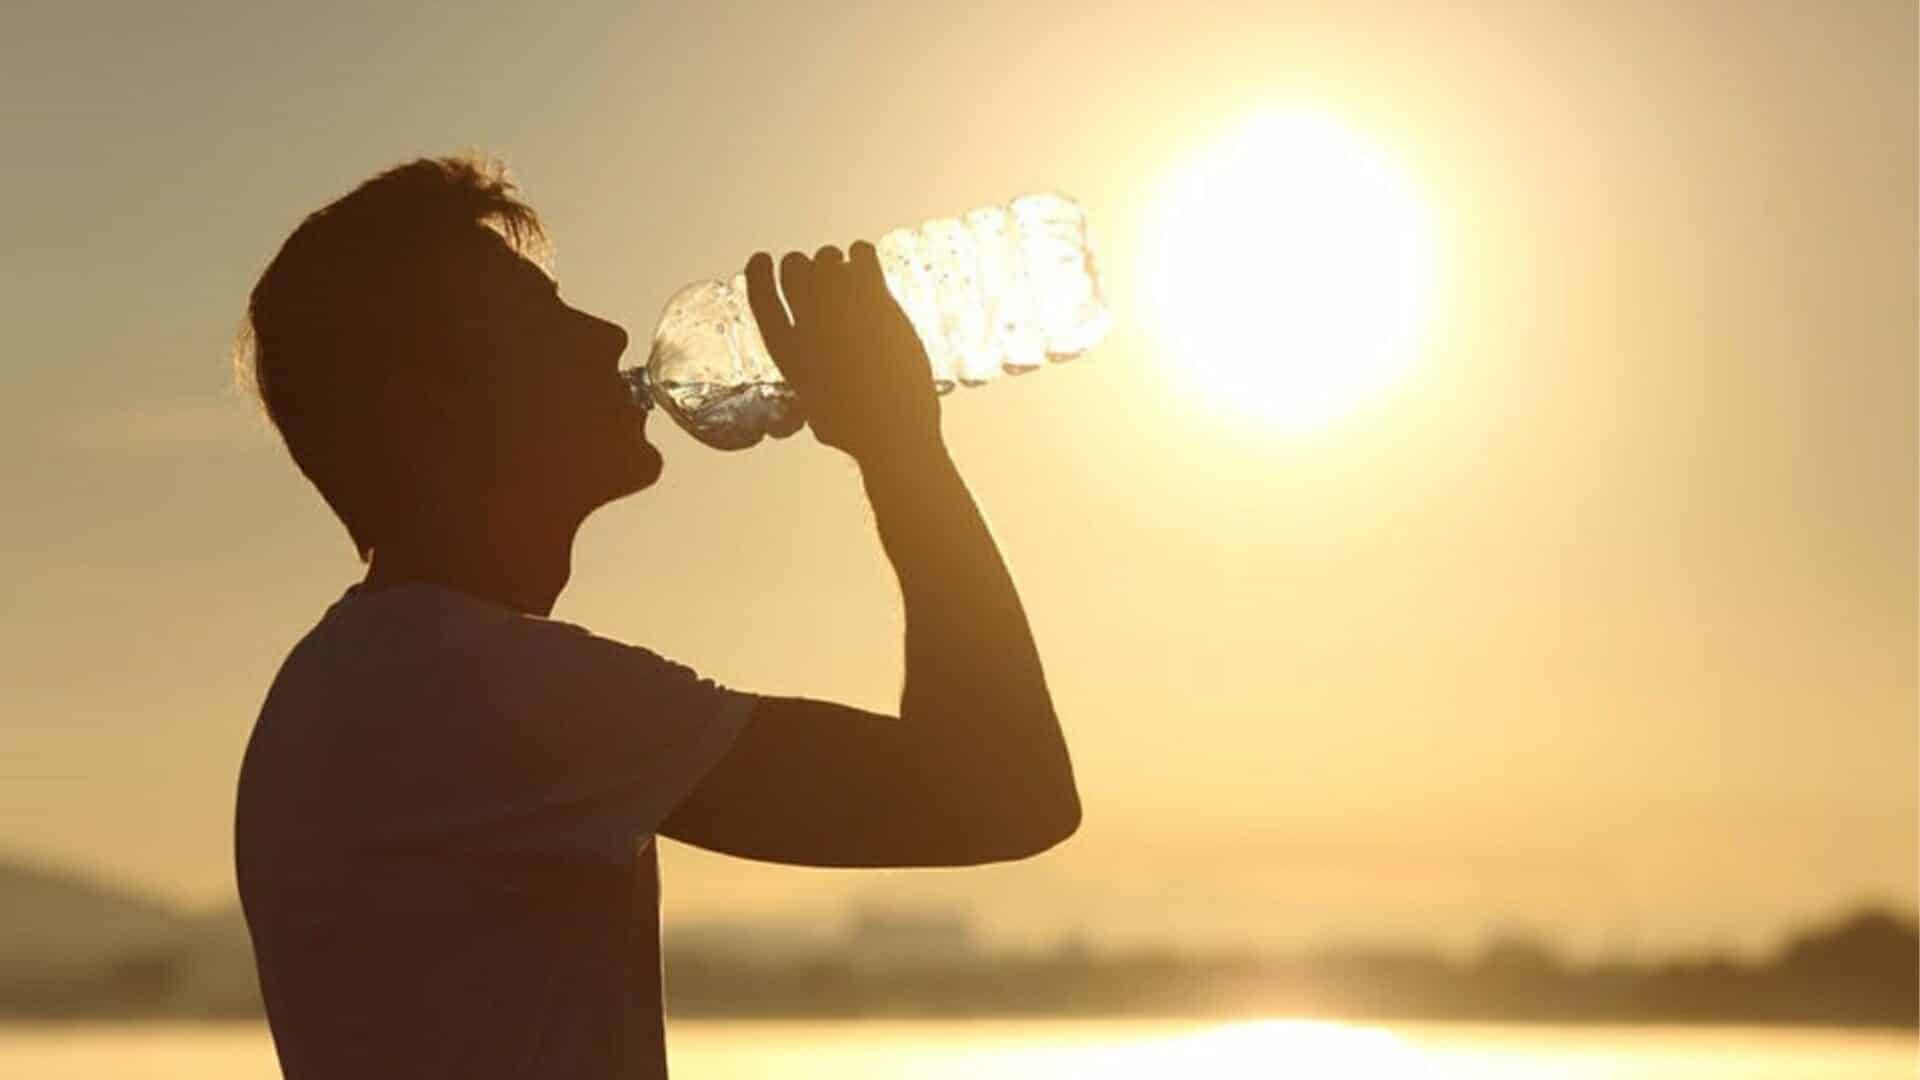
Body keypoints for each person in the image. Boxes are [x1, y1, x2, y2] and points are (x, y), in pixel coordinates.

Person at [231, 156, 1080, 1079]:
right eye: (538, 322)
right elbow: (1001, 795)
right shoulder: (457, 688)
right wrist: (898, 445)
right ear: (432, 410)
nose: (604, 334)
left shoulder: (372, 677)